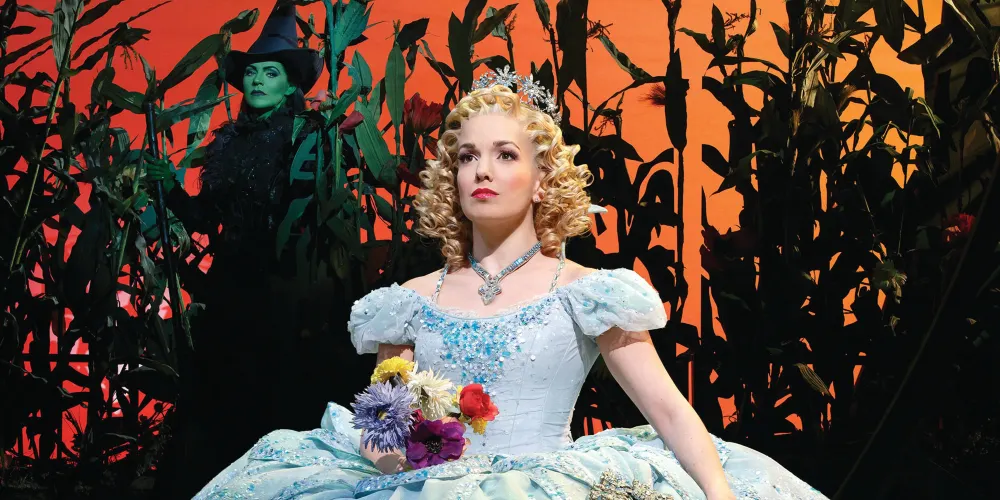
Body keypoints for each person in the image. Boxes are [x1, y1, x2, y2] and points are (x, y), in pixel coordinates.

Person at [192, 69, 827, 499]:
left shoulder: (588, 292)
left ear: (542, 179)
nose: (482, 171)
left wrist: (718, 495)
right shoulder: (407, 303)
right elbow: (383, 430)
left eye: (505, 154)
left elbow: (668, 410)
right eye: (468, 156)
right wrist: (416, 465)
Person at [144, 2, 337, 491]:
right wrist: (170, 188)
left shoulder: (306, 137)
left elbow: (313, 212)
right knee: (221, 391)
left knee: (273, 391)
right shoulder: (228, 142)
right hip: (231, 285)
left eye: (270, 73)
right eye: (252, 72)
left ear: (290, 85)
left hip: (283, 285)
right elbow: (204, 219)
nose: (257, 81)